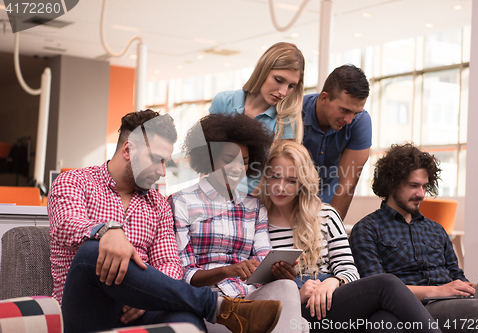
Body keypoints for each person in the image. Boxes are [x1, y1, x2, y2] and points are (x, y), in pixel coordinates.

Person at [48, 110, 282, 333]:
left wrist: (146, 295)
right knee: (92, 251)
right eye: (156, 160)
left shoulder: (158, 204)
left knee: (186, 321)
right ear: (128, 150)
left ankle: (218, 309)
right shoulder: (75, 181)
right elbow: (66, 225)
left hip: (137, 312)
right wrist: (108, 231)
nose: (162, 172)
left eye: (166, 162)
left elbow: (169, 263)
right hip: (85, 309)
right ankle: (218, 307)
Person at [260, 141, 441, 333]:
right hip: (293, 306)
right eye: (275, 177)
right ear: (266, 177)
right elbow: (253, 287)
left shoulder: (326, 215)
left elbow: (349, 271)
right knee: (386, 283)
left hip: (332, 297)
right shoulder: (255, 219)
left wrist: (333, 281)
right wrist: (297, 295)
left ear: (303, 182)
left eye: (291, 181)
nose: (280, 187)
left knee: (384, 321)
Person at [169, 113, 305, 333]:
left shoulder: (254, 206)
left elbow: (263, 257)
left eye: (243, 162)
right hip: (211, 304)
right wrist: (227, 271)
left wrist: (278, 270)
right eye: (228, 160)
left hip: (250, 297)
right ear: (210, 156)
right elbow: (183, 274)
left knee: (287, 286)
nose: (236, 168)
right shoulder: (182, 202)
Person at [349, 143, 478, 333]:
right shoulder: (367, 229)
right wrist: (439, 291)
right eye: (413, 186)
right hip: (410, 307)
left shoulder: (436, 229)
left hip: (449, 302)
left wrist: (471, 288)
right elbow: (375, 289)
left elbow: (456, 275)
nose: (421, 194)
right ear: (391, 183)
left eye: (424, 186)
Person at [209, 42, 305, 194]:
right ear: (263, 70)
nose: (283, 92)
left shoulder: (287, 120)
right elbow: (209, 156)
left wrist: (247, 206)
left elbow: (275, 175)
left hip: (254, 204)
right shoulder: (223, 101)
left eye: (291, 86)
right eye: (279, 80)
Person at [302, 64, 371, 220]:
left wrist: (330, 228)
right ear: (325, 98)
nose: (349, 120)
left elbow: (347, 185)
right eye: (345, 110)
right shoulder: (295, 113)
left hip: (329, 204)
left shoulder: (360, 121)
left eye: (356, 112)